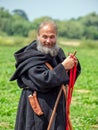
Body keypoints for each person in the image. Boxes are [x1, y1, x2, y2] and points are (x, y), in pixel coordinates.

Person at [10, 20, 81, 130]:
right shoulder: (30, 56)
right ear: (38, 36)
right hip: (37, 110)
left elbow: (66, 78)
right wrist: (63, 67)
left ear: (56, 37)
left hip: (57, 107)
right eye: (44, 36)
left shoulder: (57, 52)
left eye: (52, 37)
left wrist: (73, 66)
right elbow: (42, 80)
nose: (48, 41)